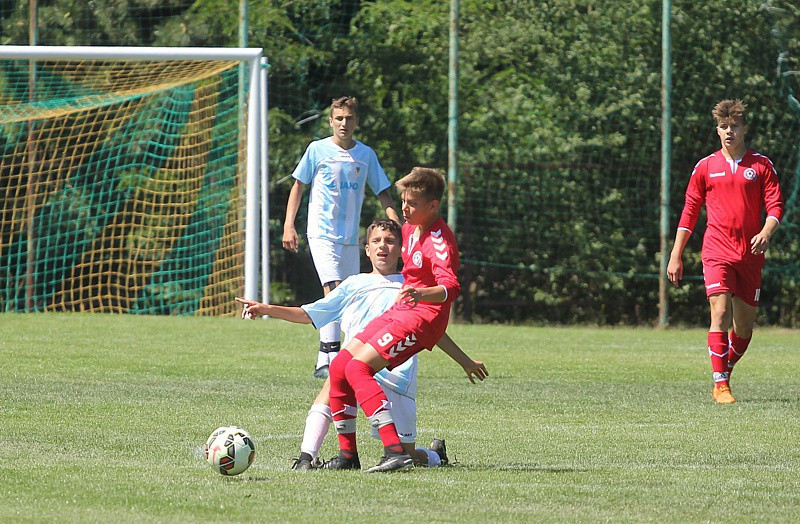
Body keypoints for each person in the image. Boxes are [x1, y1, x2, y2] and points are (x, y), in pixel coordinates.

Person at [236, 219, 486, 470]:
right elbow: (310, 314)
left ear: (401, 249)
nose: (382, 247)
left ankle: (433, 456)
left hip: (396, 376)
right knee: (334, 379)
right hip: (357, 364)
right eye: (376, 241)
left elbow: (431, 331)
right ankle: (306, 457)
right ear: (366, 250)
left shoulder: (412, 288)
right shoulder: (354, 284)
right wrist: (267, 309)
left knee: (409, 454)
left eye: (390, 241)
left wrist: (465, 361)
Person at [326, 167, 484, 473]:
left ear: (433, 206)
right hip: (404, 310)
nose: (404, 208)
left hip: (424, 318)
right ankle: (348, 456)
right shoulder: (411, 228)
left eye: (412, 203)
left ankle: (395, 451)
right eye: (403, 201)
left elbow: (450, 288)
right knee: (340, 366)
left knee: (359, 368)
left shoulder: (440, 241)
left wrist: (420, 294)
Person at [667, 99, 784, 404]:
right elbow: (689, 212)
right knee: (719, 312)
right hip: (716, 250)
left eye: (734, 126)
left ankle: (725, 368)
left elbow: (775, 206)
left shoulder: (761, 166)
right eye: (723, 127)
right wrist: (675, 254)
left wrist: (765, 232)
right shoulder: (705, 167)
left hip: (750, 254)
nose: (729, 132)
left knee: (743, 328)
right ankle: (720, 385)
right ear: (717, 130)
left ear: (745, 128)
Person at [282, 96, 399, 379]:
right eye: (339, 118)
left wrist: (397, 224)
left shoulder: (366, 155)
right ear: (330, 121)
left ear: (356, 121)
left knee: (351, 297)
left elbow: (383, 191)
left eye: (349, 118)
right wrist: (288, 225)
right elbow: (298, 186)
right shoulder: (317, 150)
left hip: (350, 238)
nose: (343, 123)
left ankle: (350, 357)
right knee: (333, 288)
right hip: (321, 233)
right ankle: (329, 353)